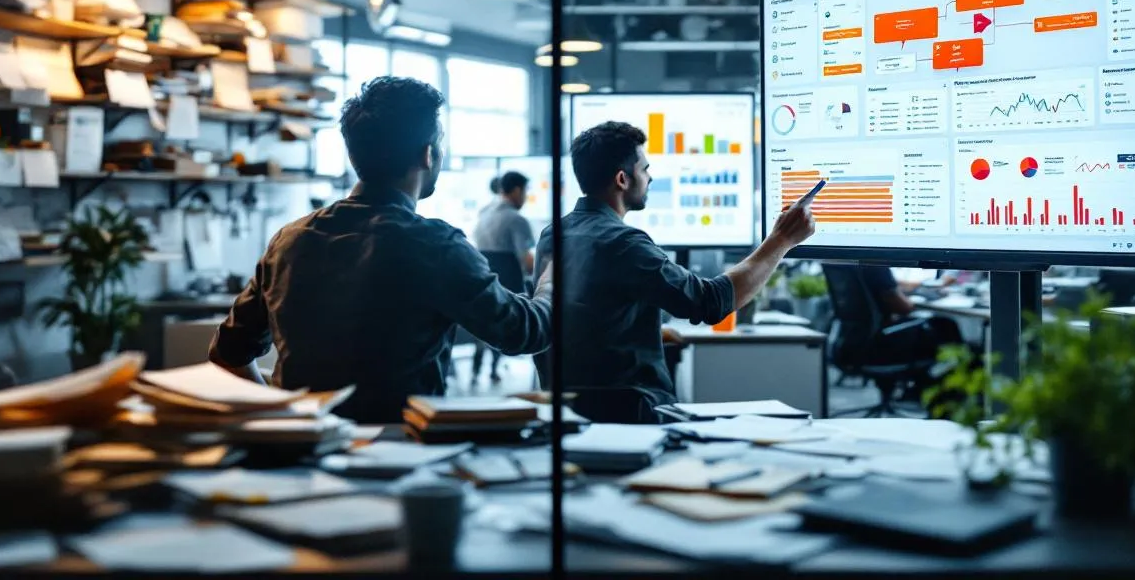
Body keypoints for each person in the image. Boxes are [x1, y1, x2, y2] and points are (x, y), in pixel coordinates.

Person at [209, 77, 553, 423]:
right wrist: (553, 277)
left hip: (302, 459)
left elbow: (226, 354)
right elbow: (523, 332)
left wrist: (284, 419)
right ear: (428, 154)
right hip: (402, 452)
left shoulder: (289, 240)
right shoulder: (435, 244)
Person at [534, 121, 815, 414]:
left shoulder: (552, 234)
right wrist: (780, 241)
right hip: (633, 413)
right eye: (644, 169)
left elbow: (584, 316)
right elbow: (711, 301)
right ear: (622, 179)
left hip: (568, 412)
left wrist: (650, 331)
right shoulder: (624, 243)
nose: (650, 178)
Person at [470, 171, 536, 384]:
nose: (525, 197)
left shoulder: (483, 213)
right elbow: (526, 261)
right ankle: (494, 369)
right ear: (517, 190)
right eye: (525, 191)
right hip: (509, 288)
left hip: (482, 283)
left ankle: (476, 369)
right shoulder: (516, 220)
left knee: (483, 329)